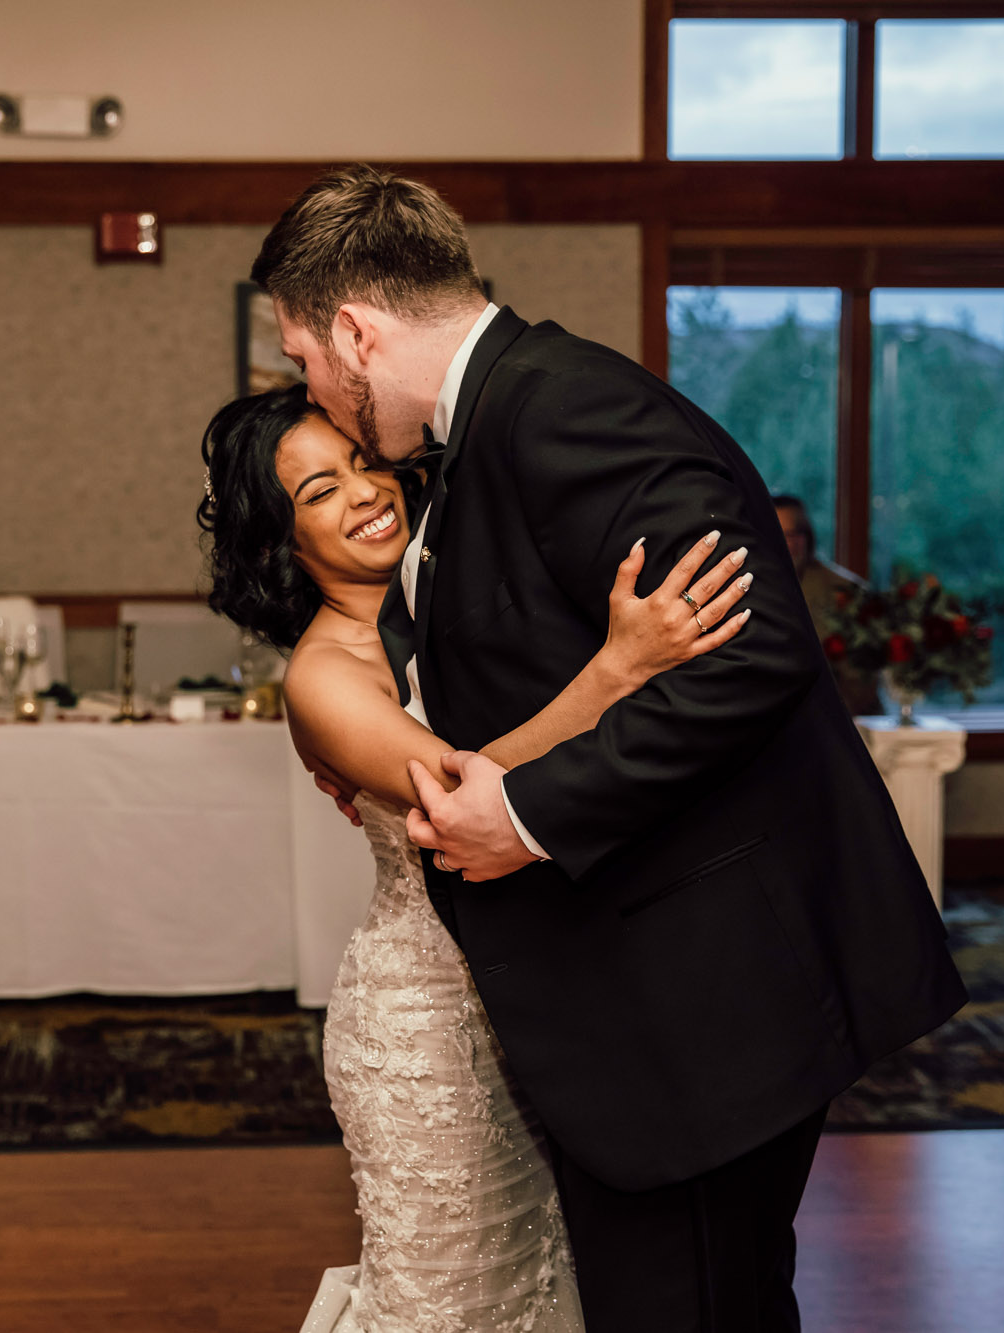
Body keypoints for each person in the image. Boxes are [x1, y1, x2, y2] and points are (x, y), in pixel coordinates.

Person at [251, 166, 966, 1332]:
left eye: (304, 359)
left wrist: (524, 812)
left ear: (353, 329)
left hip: (698, 1004)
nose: (318, 392)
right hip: (643, 1004)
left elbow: (752, 652)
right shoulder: (489, 426)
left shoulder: (561, 405)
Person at [201, 385, 753, 1331]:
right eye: (321, 490)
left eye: (365, 462)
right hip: (428, 1031)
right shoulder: (325, 675)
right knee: (452, 1297)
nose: (368, 491)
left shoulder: (459, 596)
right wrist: (617, 669)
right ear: (275, 544)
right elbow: (460, 798)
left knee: (547, 1280)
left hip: (554, 1004)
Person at [773, 494, 882, 717]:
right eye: (780, 535)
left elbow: (863, 679)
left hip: (840, 719)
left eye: (795, 534)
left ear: (807, 537)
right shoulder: (746, 588)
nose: (789, 544)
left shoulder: (845, 592)